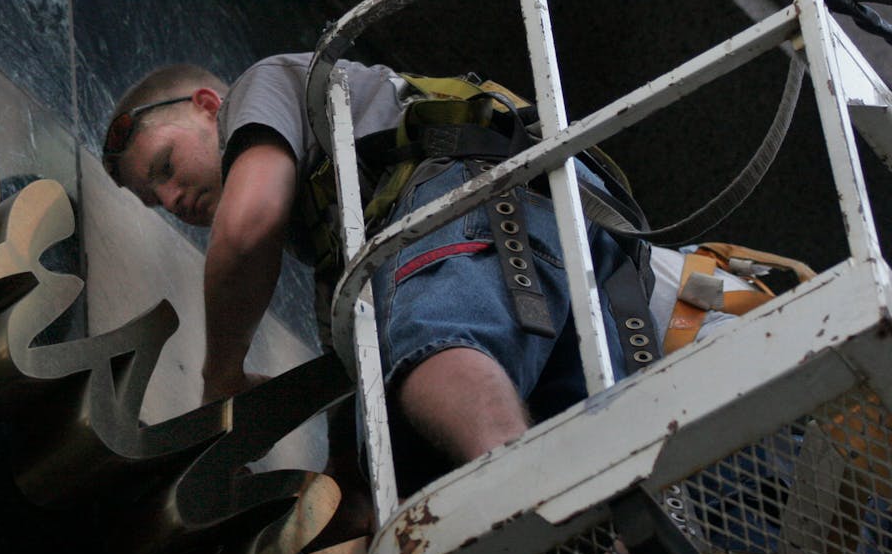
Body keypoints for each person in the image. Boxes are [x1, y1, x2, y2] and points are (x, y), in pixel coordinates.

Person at [101, 54, 734, 493]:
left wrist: (222, 378)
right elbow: (363, 416)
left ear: (211, 106)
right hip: (563, 250)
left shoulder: (262, 86)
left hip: (486, 188)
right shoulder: (340, 248)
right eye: (158, 202)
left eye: (164, 167)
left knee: (430, 345)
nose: (175, 200)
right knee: (577, 464)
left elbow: (247, 225)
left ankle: (529, 504)